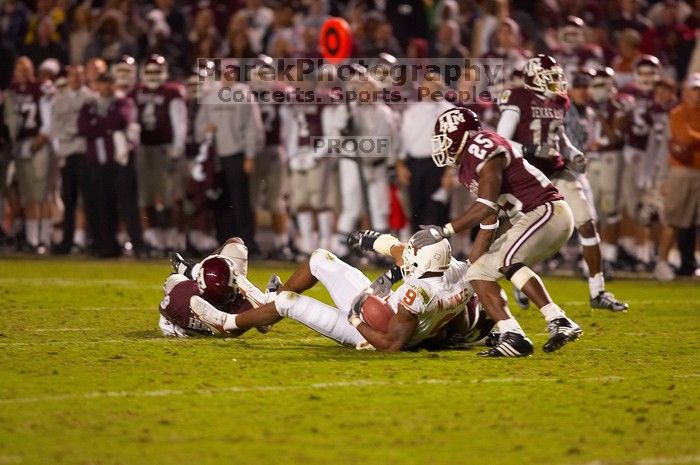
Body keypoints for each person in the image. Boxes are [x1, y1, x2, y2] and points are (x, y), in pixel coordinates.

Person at [412, 107, 582, 357]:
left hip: (546, 211)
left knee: (507, 260)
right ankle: (513, 335)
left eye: (446, 140)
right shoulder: (466, 169)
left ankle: (559, 320)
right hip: (531, 220)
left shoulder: (483, 144)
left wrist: (443, 230)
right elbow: (489, 221)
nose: (443, 148)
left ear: (461, 136)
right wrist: (470, 266)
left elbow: (486, 206)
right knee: (479, 273)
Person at [191, 232, 494, 353]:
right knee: (320, 258)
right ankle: (265, 308)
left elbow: (391, 345)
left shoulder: (418, 290)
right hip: (383, 305)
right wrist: (375, 240)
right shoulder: (459, 272)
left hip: (372, 331)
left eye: (415, 253)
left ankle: (228, 324)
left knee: (287, 302)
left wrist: (356, 320)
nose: (409, 254)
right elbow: (402, 255)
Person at [496, 55, 628, 312]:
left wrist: (571, 152)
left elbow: (559, 136)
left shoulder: (560, 101)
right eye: (552, 77)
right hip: (526, 175)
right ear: (535, 78)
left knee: (587, 223)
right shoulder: (517, 98)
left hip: (556, 171)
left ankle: (598, 291)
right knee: (528, 235)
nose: (558, 82)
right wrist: (531, 147)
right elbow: (500, 140)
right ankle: (519, 280)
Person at [195, 60, 263, 250]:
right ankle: (222, 242)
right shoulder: (210, 95)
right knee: (219, 201)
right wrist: (204, 131)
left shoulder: (244, 94)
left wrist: (250, 155)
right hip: (215, 156)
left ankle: (247, 242)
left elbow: (253, 127)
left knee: (240, 201)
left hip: (237, 153)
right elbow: (199, 126)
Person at [77, 71, 145, 257]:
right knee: (102, 204)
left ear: (113, 84)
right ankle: (107, 245)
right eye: (102, 83)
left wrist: (98, 125)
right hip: (98, 161)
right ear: (97, 84)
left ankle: (139, 245)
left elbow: (121, 120)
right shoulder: (89, 104)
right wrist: (106, 127)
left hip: (119, 160)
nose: (105, 86)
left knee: (127, 204)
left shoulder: (123, 102)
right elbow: (83, 128)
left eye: (108, 83)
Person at [159, 237, 278, 337]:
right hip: (235, 314)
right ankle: (193, 270)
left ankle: (193, 270)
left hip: (190, 301)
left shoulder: (181, 294)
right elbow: (266, 324)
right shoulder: (243, 304)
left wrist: (173, 322)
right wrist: (272, 295)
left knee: (173, 280)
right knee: (236, 245)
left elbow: (164, 310)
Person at [132, 54, 187, 253]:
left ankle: (172, 238)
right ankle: (152, 238)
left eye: (157, 71)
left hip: (165, 149)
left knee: (169, 198)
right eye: (150, 71)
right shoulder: (137, 91)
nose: (153, 76)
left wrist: (177, 148)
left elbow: (179, 122)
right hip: (144, 149)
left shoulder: (172, 92)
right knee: (145, 197)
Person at [6, 56, 52, 252]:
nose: (22, 71)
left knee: (41, 193)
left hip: (37, 142)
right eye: (19, 68)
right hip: (19, 145)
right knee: (27, 195)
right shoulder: (11, 91)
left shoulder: (40, 88)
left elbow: (50, 117)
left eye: (26, 68)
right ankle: (31, 239)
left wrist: (42, 138)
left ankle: (43, 239)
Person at [587, 67, 627, 270]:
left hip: (610, 158)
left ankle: (609, 255)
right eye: (597, 85)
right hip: (590, 159)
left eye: (604, 84)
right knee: (590, 210)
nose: (600, 90)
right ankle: (590, 257)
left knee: (610, 208)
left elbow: (615, 138)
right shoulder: (584, 106)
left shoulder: (617, 108)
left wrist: (602, 118)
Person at [661, 73, 700, 277]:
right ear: (686, 91)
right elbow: (683, 137)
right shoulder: (678, 112)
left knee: (692, 222)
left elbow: (689, 139)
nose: (698, 93)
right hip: (681, 171)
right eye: (694, 89)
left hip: (697, 171)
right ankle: (662, 263)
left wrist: (693, 141)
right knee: (674, 219)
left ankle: (688, 263)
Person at [49, 65, 91, 254]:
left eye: (79, 75)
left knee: (86, 199)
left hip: (84, 153)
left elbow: (85, 127)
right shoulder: (60, 99)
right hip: (67, 154)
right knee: (69, 199)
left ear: (84, 77)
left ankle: (84, 239)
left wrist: (69, 133)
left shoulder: (90, 98)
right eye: (72, 76)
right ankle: (67, 241)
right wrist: (70, 134)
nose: (75, 79)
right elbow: (55, 127)